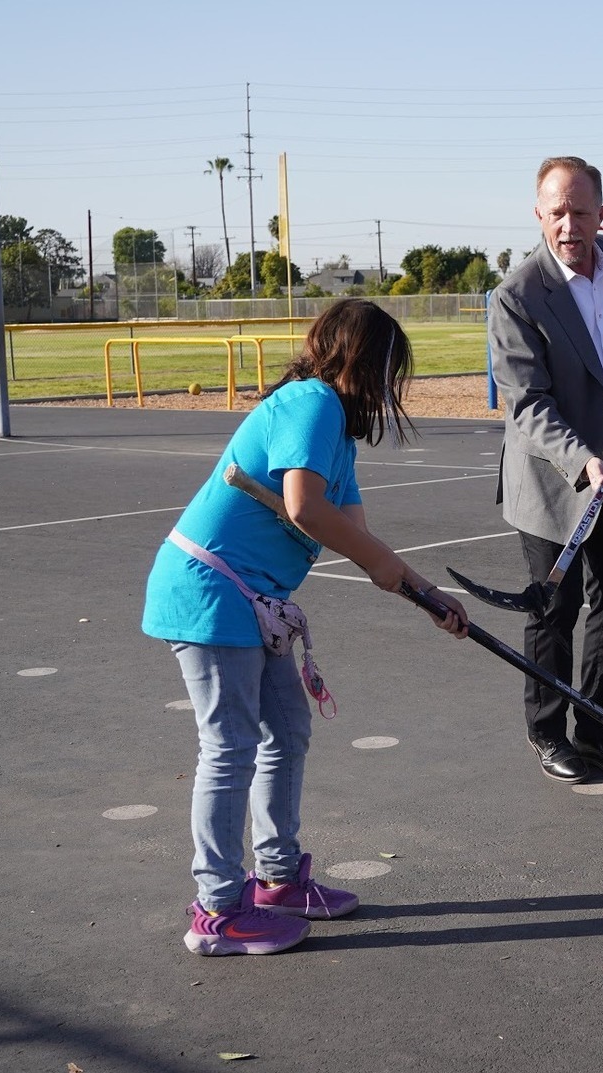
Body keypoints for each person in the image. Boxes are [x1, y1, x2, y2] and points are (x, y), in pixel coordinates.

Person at [141, 299, 470, 957]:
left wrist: (428, 595)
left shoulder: (335, 436)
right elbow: (304, 507)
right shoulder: (311, 402)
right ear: (358, 359)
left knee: (285, 729)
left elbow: (359, 537)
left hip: (249, 602)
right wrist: (383, 564)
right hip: (211, 590)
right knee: (230, 744)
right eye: (385, 368)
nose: (389, 385)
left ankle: (277, 878)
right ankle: (216, 908)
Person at [490, 156, 603, 786]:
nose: (569, 225)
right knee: (555, 610)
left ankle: (597, 733)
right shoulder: (517, 296)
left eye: (580, 211)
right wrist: (582, 460)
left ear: (602, 212)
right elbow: (527, 404)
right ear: (539, 213)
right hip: (554, 480)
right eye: (557, 212)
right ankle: (548, 734)